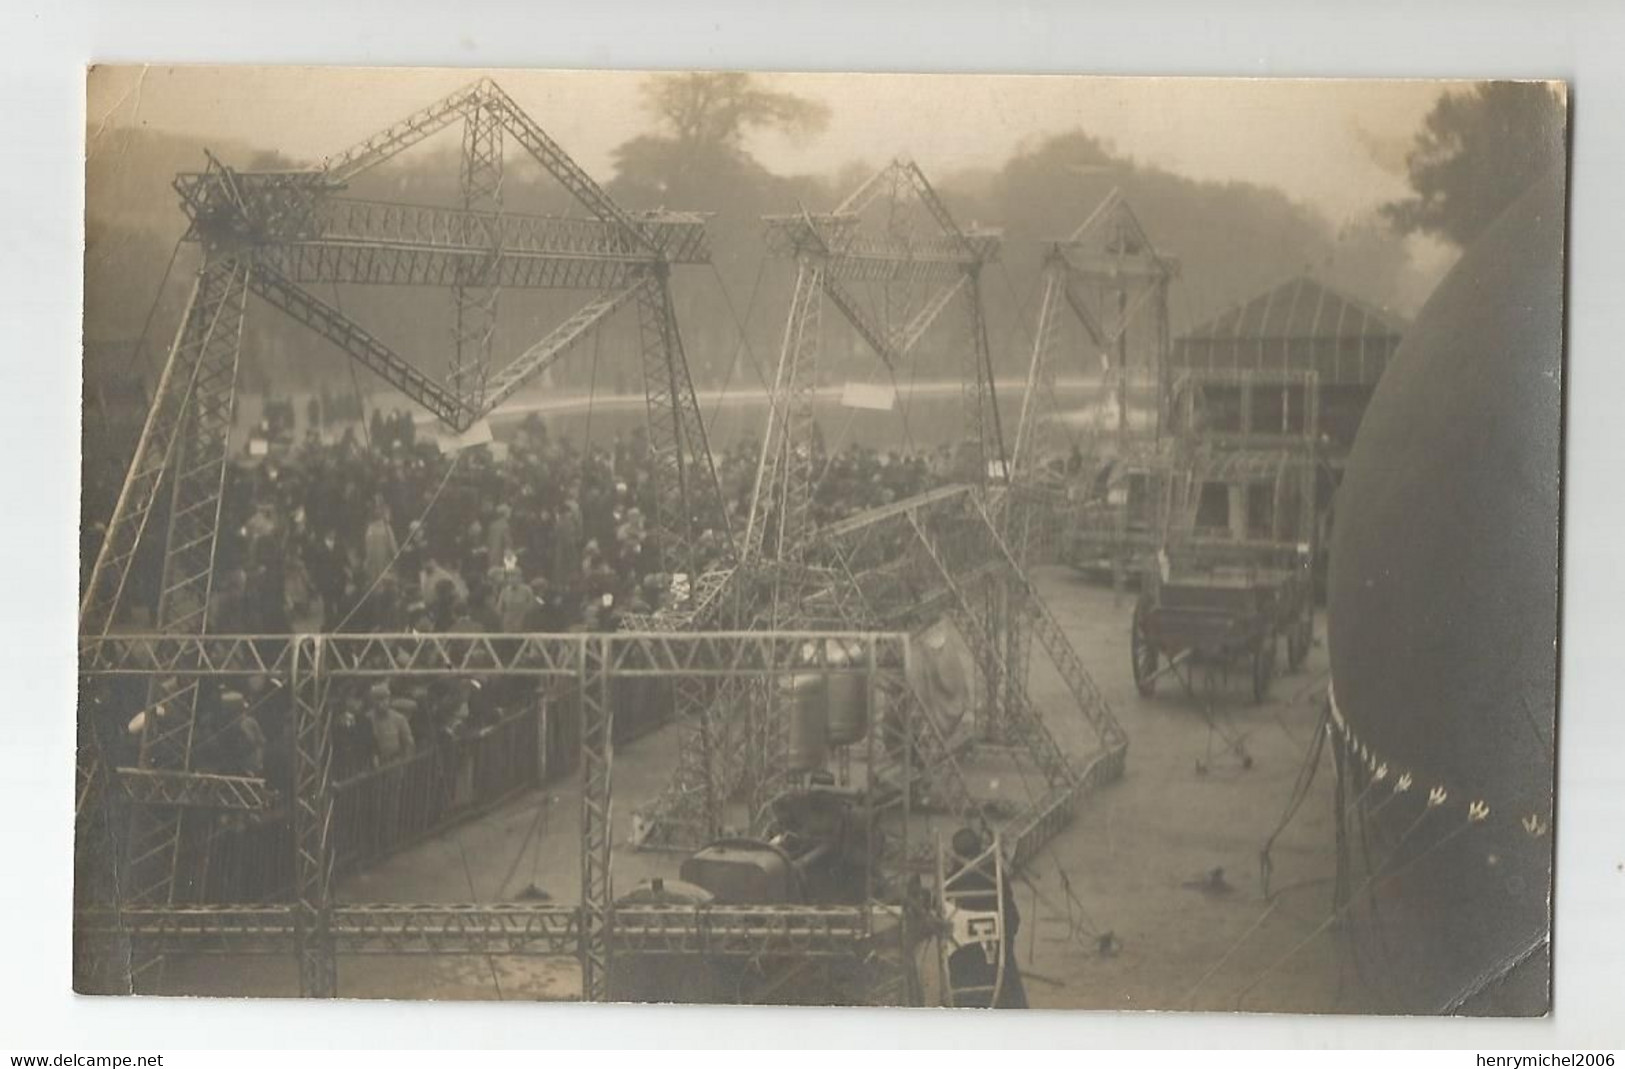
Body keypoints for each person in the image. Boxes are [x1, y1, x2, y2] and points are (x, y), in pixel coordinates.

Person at [944, 827, 1028, 1008]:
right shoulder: (994, 875)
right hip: (996, 956)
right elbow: (1012, 918)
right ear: (980, 850)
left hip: (963, 961)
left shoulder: (950, 881)